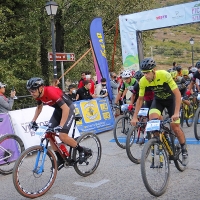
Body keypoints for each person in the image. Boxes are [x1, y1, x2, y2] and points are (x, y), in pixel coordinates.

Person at [131, 58, 189, 166]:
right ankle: (161, 140)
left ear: (154, 70)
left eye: (147, 73)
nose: (145, 76)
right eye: (144, 73)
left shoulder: (164, 75)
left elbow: (177, 94)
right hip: (158, 101)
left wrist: (176, 113)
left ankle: (184, 150)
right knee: (153, 123)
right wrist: (134, 117)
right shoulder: (143, 81)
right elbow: (140, 99)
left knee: (175, 127)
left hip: (172, 101)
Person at [27, 77, 90, 170]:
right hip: (58, 110)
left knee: (62, 136)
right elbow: (39, 108)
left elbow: (66, 109)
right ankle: (60, 158)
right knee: (48, 134)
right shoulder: (39, 95)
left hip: (68, 109)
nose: (31, 93)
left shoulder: (50, 92)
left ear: (40, 88)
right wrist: (33, 121)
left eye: (33, 90)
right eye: (30, 91)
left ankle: (82, 150)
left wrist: (61, 126)